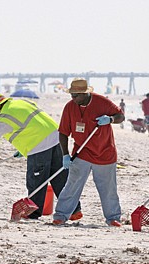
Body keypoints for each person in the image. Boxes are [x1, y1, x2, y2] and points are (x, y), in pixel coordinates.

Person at [0, 93, 81, 220]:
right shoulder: (22, 102)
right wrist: (23, 150)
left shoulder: (3, 118)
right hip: (57, 138)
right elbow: (32, 123)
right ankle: (74, 210)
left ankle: (33, 213)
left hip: (39, 146)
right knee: (60, 178)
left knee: (36, 180)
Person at [52, 78, 124, 227]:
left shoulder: (102, 102)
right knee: (72, 185)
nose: (73, 98)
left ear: (85, 94)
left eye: (76, 95)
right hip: (81, 152)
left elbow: (121, 116)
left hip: (105, 153)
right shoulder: (70, 107)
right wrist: (65, 154)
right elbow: (63, 133)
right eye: (71, 95)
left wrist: (110, 119)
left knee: (108, 188)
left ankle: (113, 218)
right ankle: (61, 215)